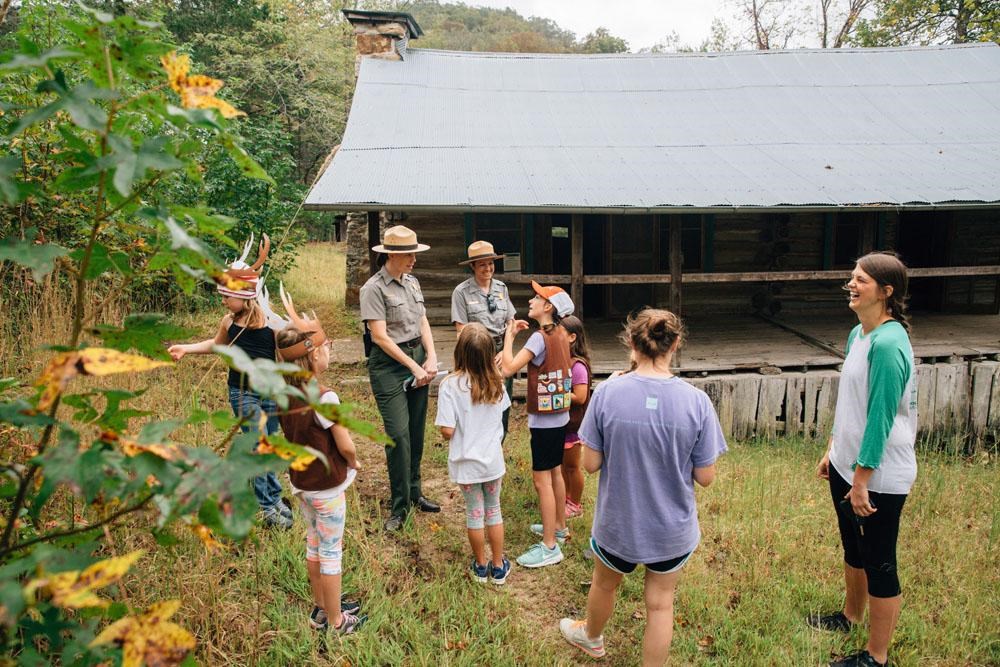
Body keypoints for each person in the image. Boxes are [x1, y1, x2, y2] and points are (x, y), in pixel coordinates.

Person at [559, 309, 726, 665]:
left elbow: (590, 465)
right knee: (661, 603)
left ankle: (591, 637)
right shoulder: (697, 402)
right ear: (676, 344)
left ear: (631, 344)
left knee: (604, 584)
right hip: (671, 530)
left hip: (618, 524)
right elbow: (706, 477)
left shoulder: (607, 393)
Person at [811, 252, 917, 667]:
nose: (851, 285)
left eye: (862, 280)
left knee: (879, 559)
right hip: (847, 462)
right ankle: (850, 615)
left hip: (879, 474)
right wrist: (834, 449)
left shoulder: (890, 344)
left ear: (886, 292)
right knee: (853, 547)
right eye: (851, 277)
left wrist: (861, 480)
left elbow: (881, 417)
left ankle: (877, 657)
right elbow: (851, 404)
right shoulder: (859, 334)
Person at [168, 234, 292, 530]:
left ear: (246, 294)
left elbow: (287, 358)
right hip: (242, 393)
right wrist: (186, 348)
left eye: (227, 296)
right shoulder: (228, 322)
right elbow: (215, 345)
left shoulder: (271, 326)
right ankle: (265, 509)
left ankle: (273, 498)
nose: (223, 300)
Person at [274, 286, 365, 634]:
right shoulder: (325, 396)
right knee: (331, 552)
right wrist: (354, 462)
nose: (329, 351)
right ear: (312, 357)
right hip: (327, 488)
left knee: (313, 545)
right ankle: (338, 620)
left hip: (301, 484)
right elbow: (345, 445)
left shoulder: (284, 393)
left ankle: (321, 609)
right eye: (326, 347)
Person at [360, 225, 441, 532]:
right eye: (408, 255)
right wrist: (413, 367)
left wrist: (430, 357)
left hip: (416, 357)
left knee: (417, 431)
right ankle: (399, 506)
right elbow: (380, 338)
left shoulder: (412, 282)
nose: (413, 260)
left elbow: (423, 321)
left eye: (414, 254)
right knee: (398, 434)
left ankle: (415, 491)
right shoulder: (373, 288)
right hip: (389, 367)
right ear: (391, 256)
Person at [500, 281, 575, 569]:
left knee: (541, 480)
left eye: (537, 297)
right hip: (560, 414)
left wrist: (509, 337)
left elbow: (508, 368)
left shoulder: (537, 338)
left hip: (544, 420)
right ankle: (559, 526)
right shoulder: (559, 334)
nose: (531, 300)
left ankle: (549, 546)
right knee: (554, 472)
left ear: (548, 307)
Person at [435, 323, 512, 585]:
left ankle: (480, 565)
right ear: (490, 352)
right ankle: (499, 565)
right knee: (494, 510)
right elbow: (501, 413)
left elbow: (447, 430)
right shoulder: (498, 381)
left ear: (460, 352)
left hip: (466, 463)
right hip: (492, 461)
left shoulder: (449, 385)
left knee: (474, 513)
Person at [451, 241, 516, 437]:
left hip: (501, 350)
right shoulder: (461, 292)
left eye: (491, 263)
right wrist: (483, 356)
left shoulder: (501, 288)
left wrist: (505, 352)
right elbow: (462, 331)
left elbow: (511, 322)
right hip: (477, 353)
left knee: (502, 401)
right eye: (482, 265)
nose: (488, 268)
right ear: (472, 266)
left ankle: (498, 446)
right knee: (480, 401)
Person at [559, 315, 592, 520]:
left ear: (572, 337)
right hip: (561, 423)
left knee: (572, 466)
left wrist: (554, 395)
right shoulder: (562, 361)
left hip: (573, 425)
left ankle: (575, 503)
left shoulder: (578, 366)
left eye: (559, 333)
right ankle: (565, 499)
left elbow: (580, 397)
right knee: (562, 466)